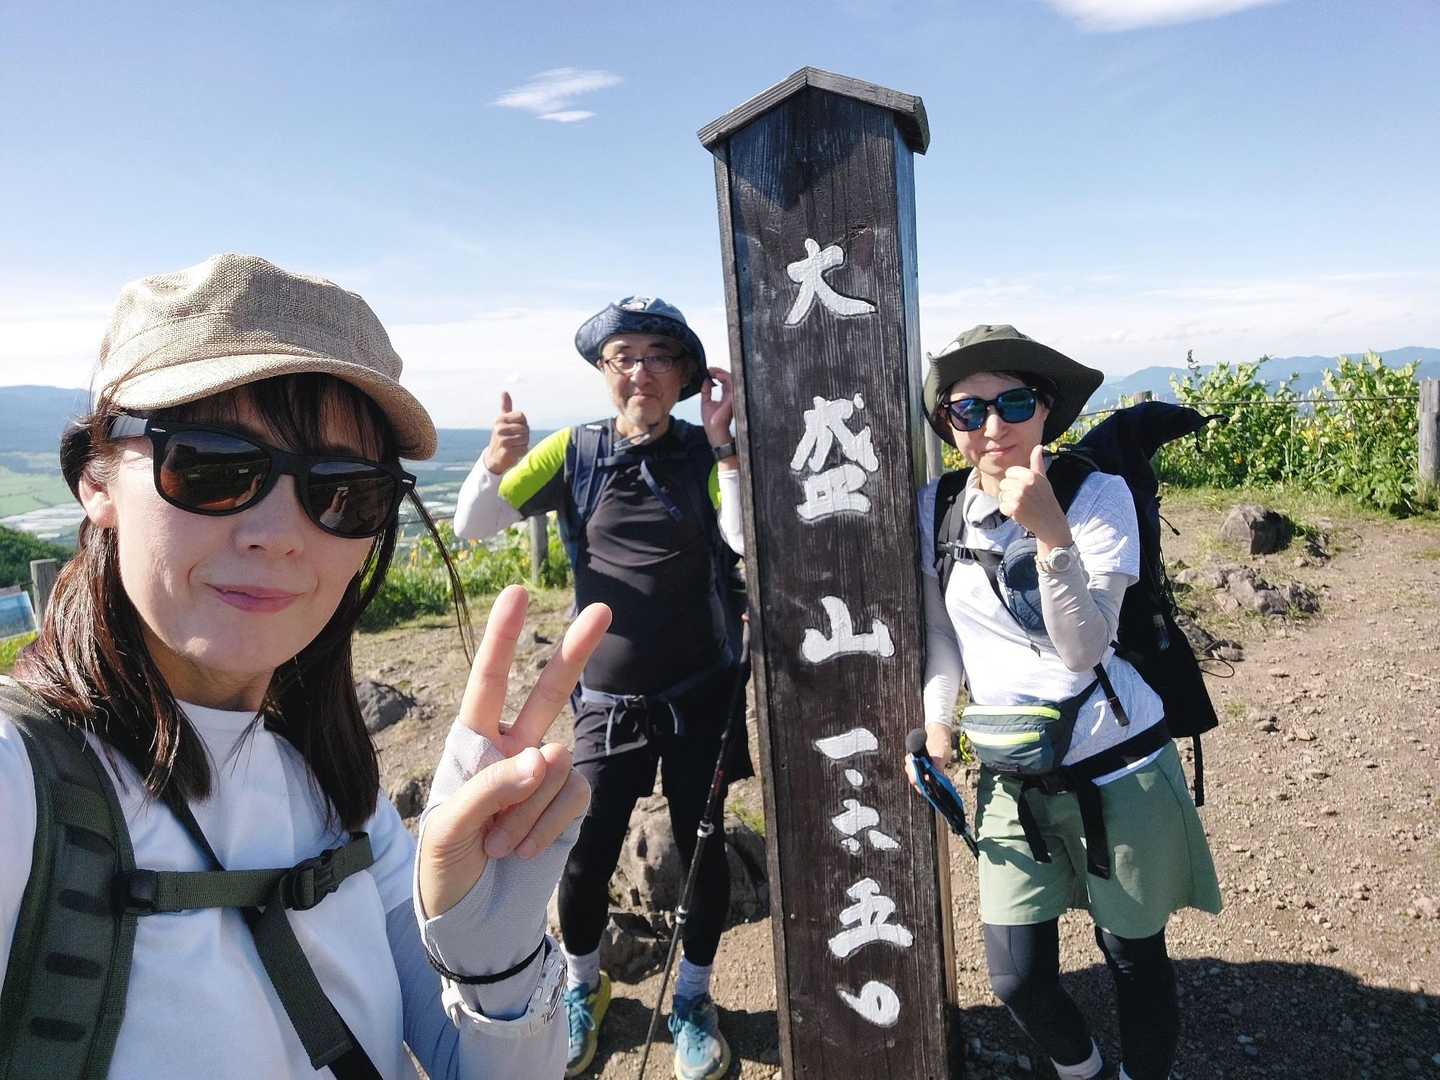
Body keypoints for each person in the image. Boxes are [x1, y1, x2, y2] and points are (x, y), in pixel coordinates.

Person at [0, 253, 612, 1079]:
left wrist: (493, 966)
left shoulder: (340, 800)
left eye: (343, 491)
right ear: (95, 480)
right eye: (212, 466)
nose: (280, 533)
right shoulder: (21, 789)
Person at [909, 325, 1221, 1080]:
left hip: (1119, 764)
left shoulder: (1098, 495)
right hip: (1013, 774)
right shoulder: (938, 507)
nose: (992, 426)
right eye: (967, 409)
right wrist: (939, 722)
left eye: (1014, 403)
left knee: (1131, 953)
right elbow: (941, 633)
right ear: (948, 423)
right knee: (1017, 975)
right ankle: (1085, 1073)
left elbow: (1082, 648)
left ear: (1046, 409)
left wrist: (1051, 534)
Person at [453, 297, 747, 1080]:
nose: (640, 371)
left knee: (703, 849)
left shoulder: (702, 449)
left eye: (659, 356)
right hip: (607, 705)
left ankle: (693, 999)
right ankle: (584, 986)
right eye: (623, 356)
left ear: (684, 375)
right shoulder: (574, 451)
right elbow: (474, 526)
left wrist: (724, 447)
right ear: (603, 372)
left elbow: (743, 542)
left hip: (703, 694)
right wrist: (494, 461)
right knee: (583, 856)